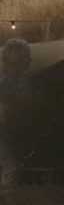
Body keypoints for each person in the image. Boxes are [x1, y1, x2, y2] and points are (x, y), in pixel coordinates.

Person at [0, 39, 30, 190]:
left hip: (7, 133)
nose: (30, 60)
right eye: (26, 57)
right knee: (11, 170)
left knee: (11, 169)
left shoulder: (13, 81)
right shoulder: (7, 82)